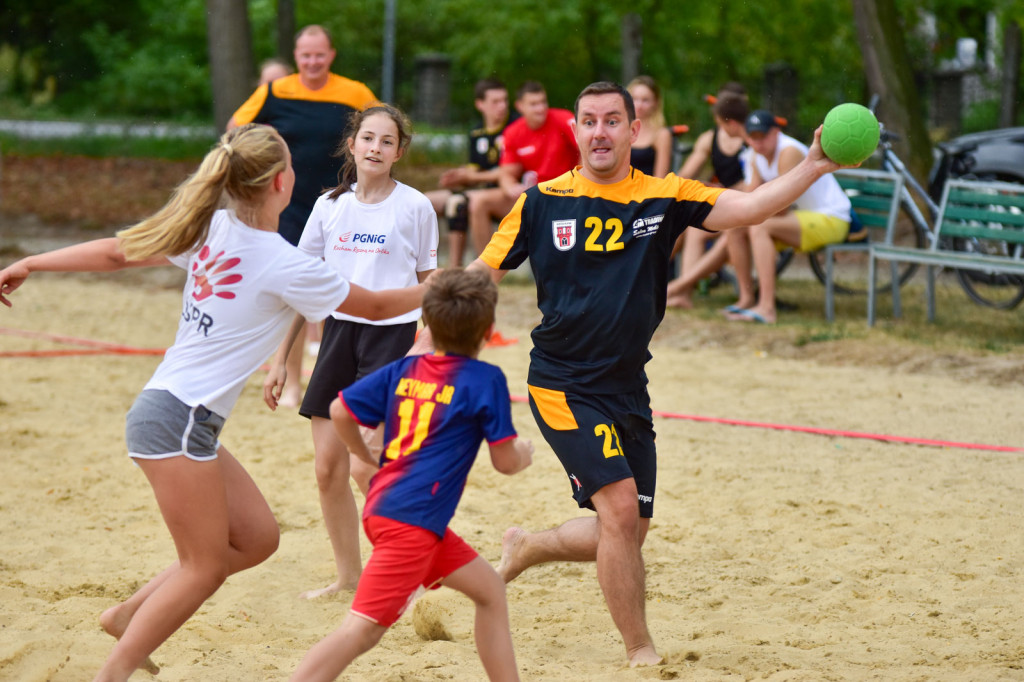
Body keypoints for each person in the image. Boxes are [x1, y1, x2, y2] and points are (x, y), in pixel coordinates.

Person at [0, 124, 428, 682]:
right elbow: (373, 307)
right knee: (202, 567)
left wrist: (33, 262)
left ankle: (126, 615)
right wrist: (446, 286)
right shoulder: (280, 261)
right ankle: (114, 672)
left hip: (178, 420)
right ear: (282, 182)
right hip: (177, 421)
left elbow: (115, 252)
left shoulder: (215, 226)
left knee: (257, 540)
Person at [466, 81, 849, 668]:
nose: (600, 132)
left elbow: (749, 208)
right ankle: (641, 651)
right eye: (589, 121)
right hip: (561, 381)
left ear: (633, 130)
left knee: (627, 530)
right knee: (619, 509)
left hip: (627, 386)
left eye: (612, 121)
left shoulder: (666, 194)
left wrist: (816, 165)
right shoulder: (541, 201)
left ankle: (528, 546)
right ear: (575, 130)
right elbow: (475, 281)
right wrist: (424, 333)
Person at [290, 268, 534, 682]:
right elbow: (505, 463)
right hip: (411, 524)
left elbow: (337, 410)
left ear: (427, 322)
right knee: (361, 632)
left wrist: (359, 450)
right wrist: (524, 454)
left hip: (394, 509)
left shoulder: (406, 368)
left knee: (489, 591)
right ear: (489, 330)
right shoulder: (484, 379)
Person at [264, 104, 438, 600]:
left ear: (399, 151)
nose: (376, 148)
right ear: (352, 145)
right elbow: (303, 287)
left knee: (369, 465)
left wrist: (427, 346)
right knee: (327, 469)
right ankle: (347, 578)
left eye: (387, 141)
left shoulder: (415, 206)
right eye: (368, 138)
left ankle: (407, 568)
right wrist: (281, 359)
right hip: (338, 336)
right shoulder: (329, 206)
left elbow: (430, 286)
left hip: (393, 340)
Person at [229, 24, 378, 407]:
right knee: (291, 295)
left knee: (340, 294)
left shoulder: (355, 93)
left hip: (343, 203)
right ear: (296, 58)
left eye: (319, 54)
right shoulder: (276, 92)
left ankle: (332, 383)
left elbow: (381, 130)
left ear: (331, 55)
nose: (312, 61)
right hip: (288, 205)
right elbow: (234, 130)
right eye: (305, 55)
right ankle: (291, 382)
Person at [722, 109, 852, 324]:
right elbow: (748, 201)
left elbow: (781, 207)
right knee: (735, 227)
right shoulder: (756, 155)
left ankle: (767, 308)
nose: (757, 142)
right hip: (804, 218)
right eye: (752, 137)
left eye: (762, 136)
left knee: (759, 227)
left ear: (775, 132)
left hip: (832, 219)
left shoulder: (789, 151)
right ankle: (746, 298)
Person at [467, 80, 578, 258]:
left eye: (543, 102)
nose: (540, 108)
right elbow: (507, 173)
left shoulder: (563, 118)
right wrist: (510, 186)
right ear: (520, 106)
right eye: (534, 104)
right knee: (478, 202)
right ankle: (484, 273)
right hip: (534, 196)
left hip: (567, 194)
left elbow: (588, 148)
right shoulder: (513, 132)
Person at [666, 86, 752, 309]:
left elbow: (757, 184)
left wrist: (723, 189)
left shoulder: (754, 138)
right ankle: (682, 292)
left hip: (745, 208)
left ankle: (677, 286)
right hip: (723, 205)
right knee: (689, 227)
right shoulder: (709, 139)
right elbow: (685, 176)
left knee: (726, 231)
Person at [425, 78, 512, 267]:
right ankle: (425, 264)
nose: (502, 106)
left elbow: (509, 171)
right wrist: (457, 176)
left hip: (505, 193)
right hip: (481, 189)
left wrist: (471, 176)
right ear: (480, 104)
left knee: (458, 204)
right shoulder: (476, 133)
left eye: (505, 100)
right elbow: (475, 169)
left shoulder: (514, 128)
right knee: (423, 202)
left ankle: (466, 268)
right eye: (495, 101)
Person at [626, 76, 672, 178]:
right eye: (635, 99)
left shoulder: (661, 134)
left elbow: (660, 179)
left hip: (647, 191)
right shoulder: (620, 130)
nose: (639, 105)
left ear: (655, 103)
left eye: (645, 100)